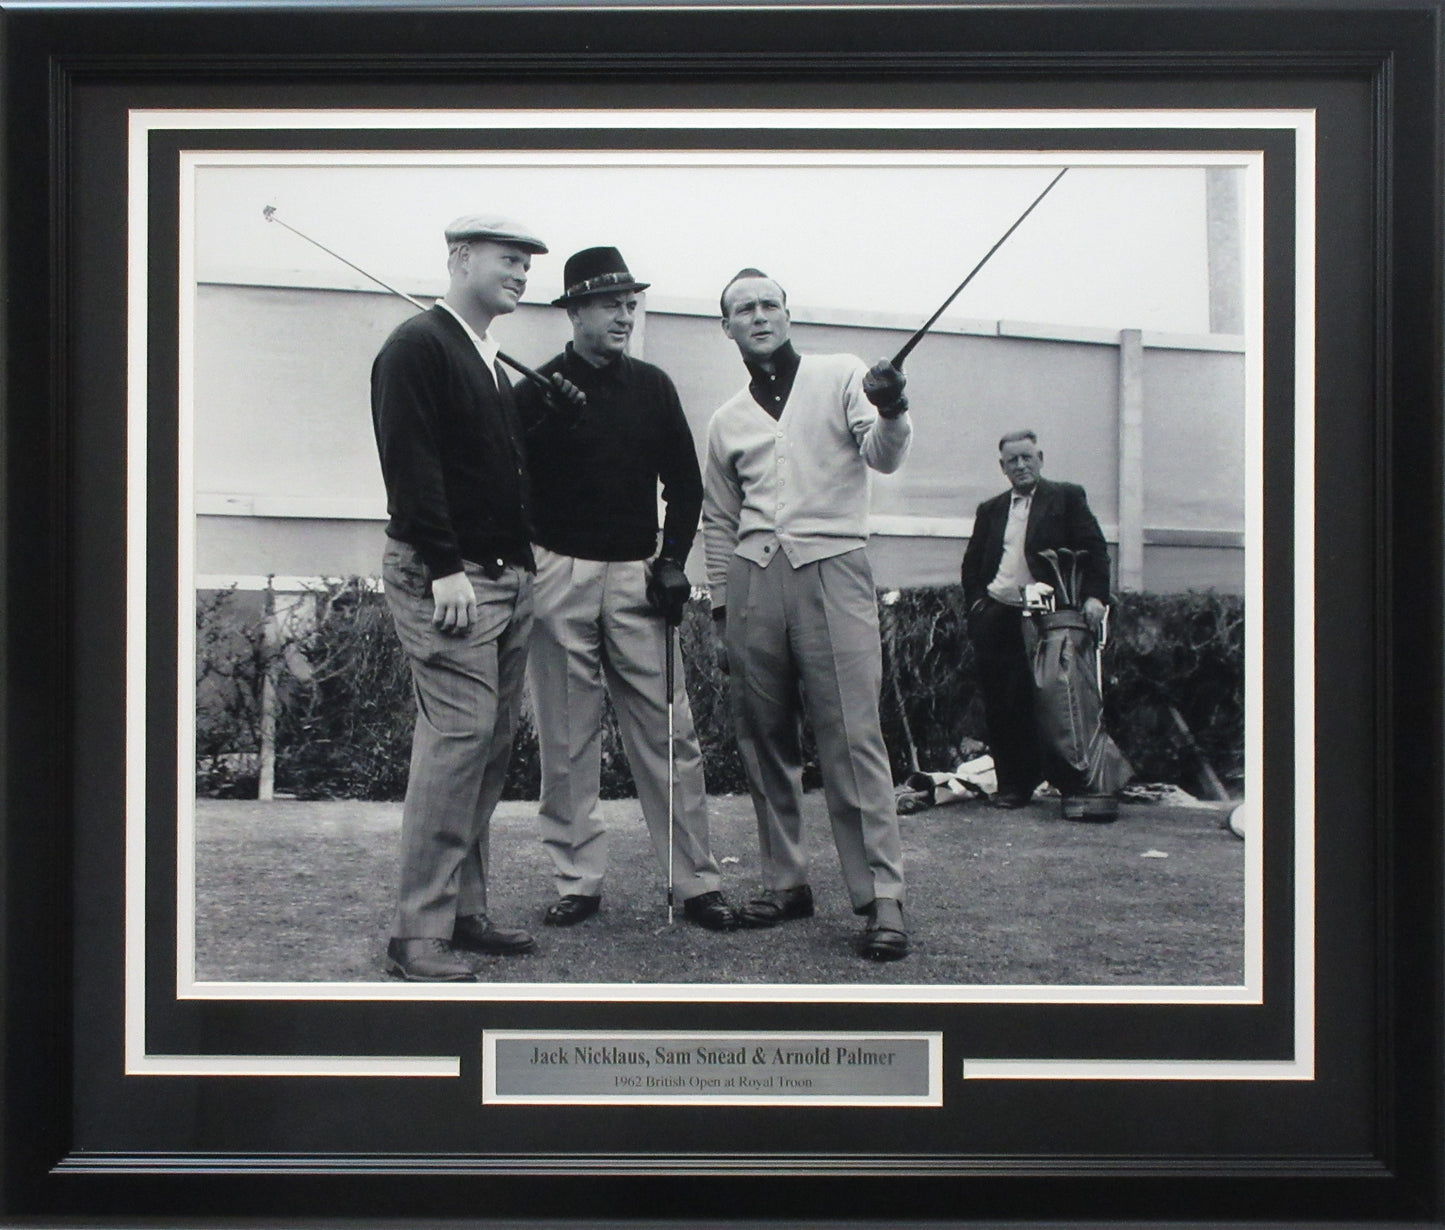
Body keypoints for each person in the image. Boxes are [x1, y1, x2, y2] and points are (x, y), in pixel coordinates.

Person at [370, 213, 578, 981]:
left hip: (504, 573)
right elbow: (412, 463)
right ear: (459, 257)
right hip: (451, 577)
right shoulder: (416, 346)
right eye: (507, 258)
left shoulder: (483, 359)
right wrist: (444, 566)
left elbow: (485, 462)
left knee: (486, 752)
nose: (522, 273)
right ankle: (417, 933)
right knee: (456, 747)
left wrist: (541, 414)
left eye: (528, 262)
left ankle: (463, 912)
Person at [516, 247, 739, 933]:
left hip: (639, 576)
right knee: (565, 736)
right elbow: (508, 480)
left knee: (668, 734)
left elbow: (686, 482)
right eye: (609, 304)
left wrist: (672, 559)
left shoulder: (652, 386)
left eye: (629, 303)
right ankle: (577, 879)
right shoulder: (534, 391)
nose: (624, 314)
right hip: (559, 575)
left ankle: (696, 882)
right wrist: (548, 418)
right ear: (574, 310)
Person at [702, 267, 912, 961]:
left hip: (834, 570)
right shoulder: (726, 419)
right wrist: (724, 603)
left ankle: (881, 897)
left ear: (788, 314)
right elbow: (718, 519)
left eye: (769, 304)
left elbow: (881, 455)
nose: (758, 315)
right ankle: (785, 882)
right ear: (726, 327)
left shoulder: (842, 373)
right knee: (765, 739)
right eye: (743, 309)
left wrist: (891, 407)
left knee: (852, 736)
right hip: (754, 582)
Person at [960, 429, 1111, 809]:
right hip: (998, 614)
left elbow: (1095, 549)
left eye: (1027, 457)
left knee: (1058, 701)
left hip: (1051, 617)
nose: (1021, 465)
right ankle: (1013, 786)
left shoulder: (1066, 497)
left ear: (1040, 458)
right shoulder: (990, 510)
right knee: (1002, 702)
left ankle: (1073, 784)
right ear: (1002, 467)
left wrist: (1095, 597)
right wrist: (979, 605)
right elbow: (972, 563)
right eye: (1012, 460)